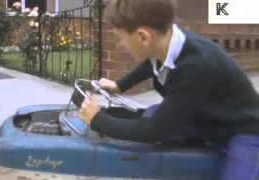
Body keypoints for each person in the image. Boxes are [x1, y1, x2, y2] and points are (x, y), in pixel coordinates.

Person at [78, 0, 259, 179]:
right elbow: (151, 63)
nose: (119, 44)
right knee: (150, 115)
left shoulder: (197, 65)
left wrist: (98, 120)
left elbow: (154, 130)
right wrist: (120, 85)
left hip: (241, 130)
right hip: (202, 118)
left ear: (143, 37)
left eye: (120, 37)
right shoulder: (169, 42)